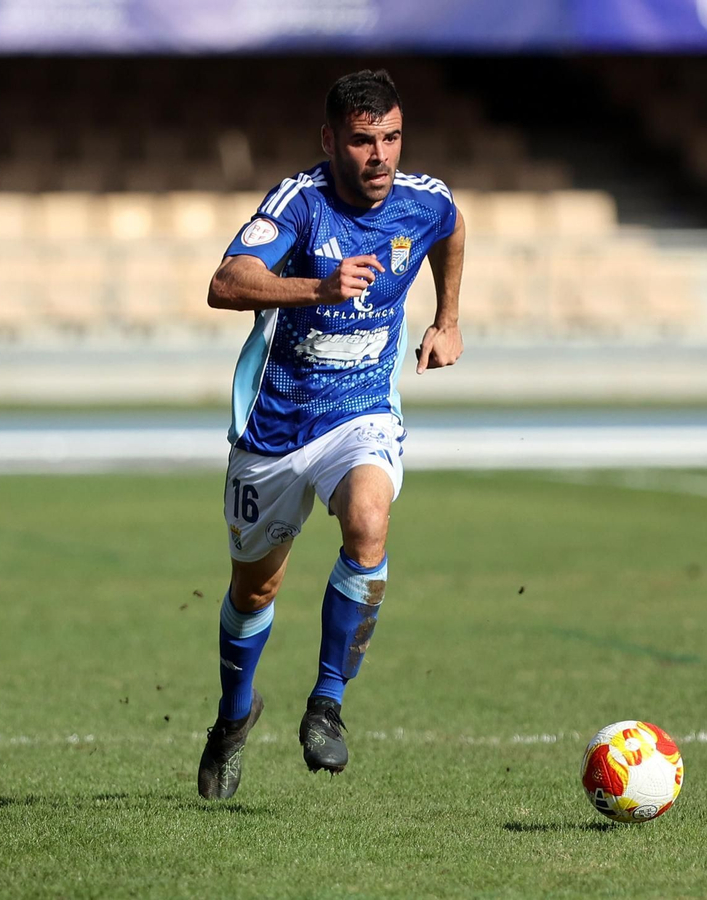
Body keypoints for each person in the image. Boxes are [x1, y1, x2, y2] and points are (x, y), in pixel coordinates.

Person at [196, 69, 465, 800]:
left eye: (391, 138)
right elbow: (226, 281)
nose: (380, 155)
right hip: (275, 426)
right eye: (362, 140)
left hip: (362, 414)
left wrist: (447, 319)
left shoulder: (421, 202)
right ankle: (231, 719)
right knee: (256, 592)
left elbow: (452, 226)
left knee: (368, 523)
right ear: (330, 141)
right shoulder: (300, 205)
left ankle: (327, 706)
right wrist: (317, 285)